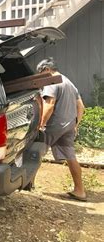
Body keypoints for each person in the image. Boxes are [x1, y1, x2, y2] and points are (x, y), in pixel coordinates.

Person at [37, 58, 86, 201]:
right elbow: (81, 107)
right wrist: (75, 124)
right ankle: (80, 190)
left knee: (35, 150)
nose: (40, 76)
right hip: (69, 125)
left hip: (54, 125)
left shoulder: (52, 81)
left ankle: (28, 184)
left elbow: (49, 104)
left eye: (40, 72)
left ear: (46, 69)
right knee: (71, 157)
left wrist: (41, 124)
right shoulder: (69, 82)